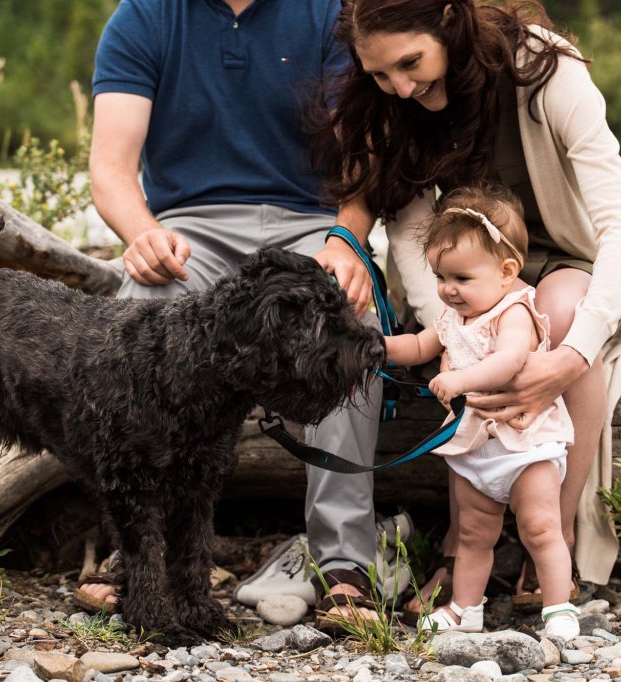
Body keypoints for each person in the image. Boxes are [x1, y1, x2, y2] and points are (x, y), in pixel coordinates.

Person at [312, 0, 621, 619]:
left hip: (566, 264)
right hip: (467, 276)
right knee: (468, 344)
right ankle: (463, 545)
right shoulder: (399, 108)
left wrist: (573, 356)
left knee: (556, 315)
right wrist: (452, 329)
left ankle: (553, 535)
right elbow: (417, 247)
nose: (401, 86)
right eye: (380, 74)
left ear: (449, 19)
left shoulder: (547, 70)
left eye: (411, 63)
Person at [77, 0, 386, 632]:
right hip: (193, 228)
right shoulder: (144, 17)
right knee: (140, 319)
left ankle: (346, 560)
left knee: (353, 330)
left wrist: (347, 241)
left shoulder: (328, 15)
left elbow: (361, 165)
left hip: (312, 224)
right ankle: (139, 555)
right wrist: (142, 234)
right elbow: (110, 168)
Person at [385, 185, 579, 637]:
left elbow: (509, 361)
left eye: (461, 279)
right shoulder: (453, 317)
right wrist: (376, 349)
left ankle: (559, 606)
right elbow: (418, 346)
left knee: (540, 526)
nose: (448, 291)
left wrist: (459, 380)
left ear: (507, 271)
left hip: (523, 445)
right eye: (440, 277)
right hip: (476, 448)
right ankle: (464, 608)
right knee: (473, 533)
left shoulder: (514, 311)